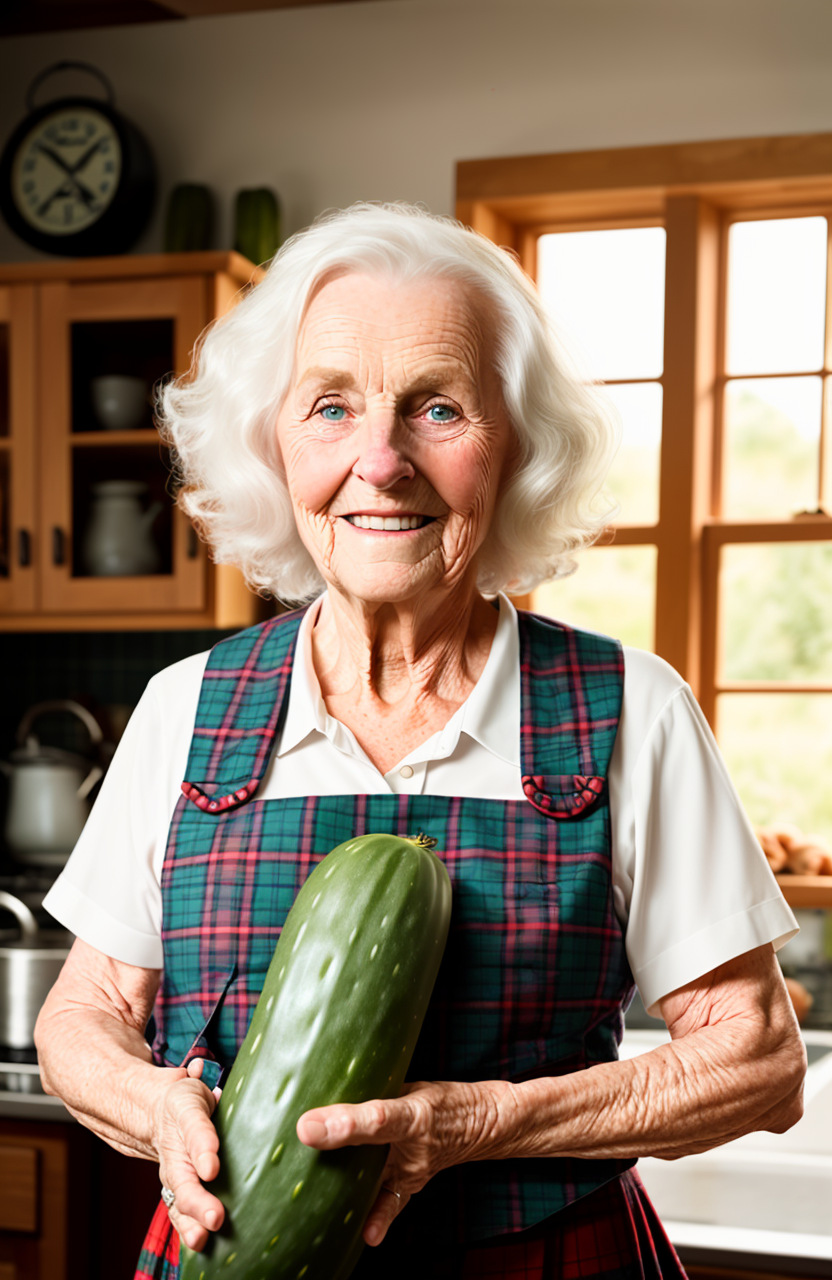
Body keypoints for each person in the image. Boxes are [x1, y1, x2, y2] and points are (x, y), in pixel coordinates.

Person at [35, 203, 805, 1280]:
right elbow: (84, 1014)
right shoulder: (186, 705)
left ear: (517, 445)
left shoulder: (634, 707)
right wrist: (153, 1101)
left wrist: (486, 1121)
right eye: (331, 407)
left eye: (438, 408)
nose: (380, 460)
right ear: (272, 443)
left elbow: (759, 1062)